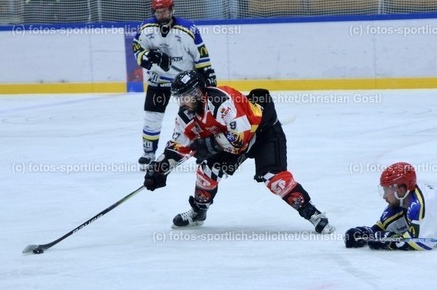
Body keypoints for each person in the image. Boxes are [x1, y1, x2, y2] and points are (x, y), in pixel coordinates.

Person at [142, 70, 334, 234]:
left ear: (199, 92)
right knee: (206, 171)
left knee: (274, 178)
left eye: (186, 96)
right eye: (179, 97)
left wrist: (205, 144)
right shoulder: (185, 115)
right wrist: (159, 168)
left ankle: (313, 213)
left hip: (263, 133)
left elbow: (238, 140)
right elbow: (178, 145)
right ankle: (198, 213)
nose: (182, 102)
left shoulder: (221, 101)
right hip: (230, 143)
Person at [132, 0, 216, 167]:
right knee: (152, 117)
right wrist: (149, 58)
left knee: (191, 116)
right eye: (158, 11)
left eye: (164, 11)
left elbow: (201, 54)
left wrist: (207, 74)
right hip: (158, 79)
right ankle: (148, 153)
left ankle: (203, 148)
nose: (161, 14)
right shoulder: (146, 28)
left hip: (186, 82)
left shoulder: (187, 29)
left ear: (172, 9)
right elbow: (137, 49)